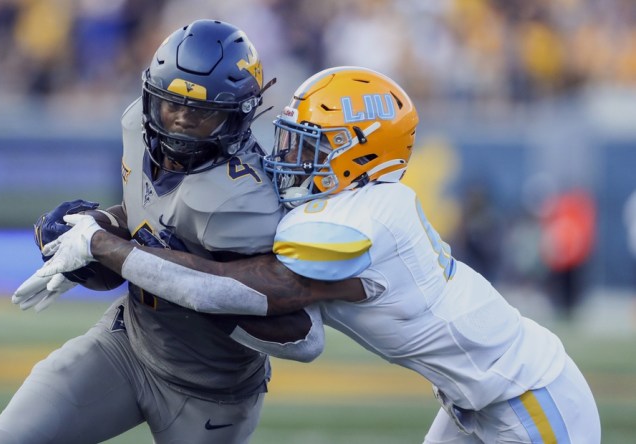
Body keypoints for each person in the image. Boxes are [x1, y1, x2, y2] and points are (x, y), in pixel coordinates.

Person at [36, 66, 602, 443]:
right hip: (471, 397)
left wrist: (108, 248)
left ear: (361, 153)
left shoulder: (364, 219)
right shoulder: (352, 203)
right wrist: (109, 220)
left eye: (312, 143)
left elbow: (240, 288)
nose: (289, 155)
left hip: (524, 395)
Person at [0, 20, 324, 444]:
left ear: (238, 114)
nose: (179, 119)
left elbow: (297, 328)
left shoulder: (244, 199)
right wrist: (97, 226)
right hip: (126, 347)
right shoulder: (135, 129)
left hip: (210, 392)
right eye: (170, 104)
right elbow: (144, 215)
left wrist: (184, 279)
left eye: (199, 111)